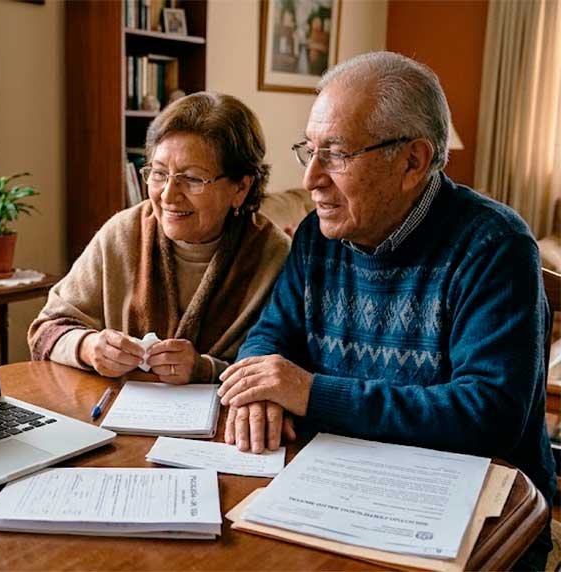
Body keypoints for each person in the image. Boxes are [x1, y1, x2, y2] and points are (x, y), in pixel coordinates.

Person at [216, 52, 555, 570]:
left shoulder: (494, 246)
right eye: (309, 150)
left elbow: (486, 416)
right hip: (339, 490)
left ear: (413, 161)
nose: (310, 179)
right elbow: (269, 337)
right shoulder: (316, 237)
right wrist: (258, 394)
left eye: (335, 154)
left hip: (473, 517)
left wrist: (308, 392)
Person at [28, 92, 290, 384]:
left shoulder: (275, 256)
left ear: (240, 187)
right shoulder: (122, 234)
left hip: (226, 425)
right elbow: (46, 329)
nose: (167, 195)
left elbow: (285, 368)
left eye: (191, 178)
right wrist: (88, 347)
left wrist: (205, 369)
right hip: (114, 415)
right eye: (158, 173)